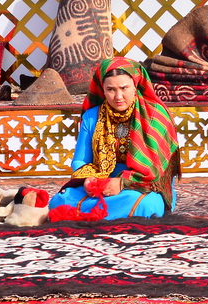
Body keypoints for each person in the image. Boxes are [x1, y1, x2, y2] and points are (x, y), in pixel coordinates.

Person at [48, 57, 179, 221]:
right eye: (111, 89)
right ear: (102, 89)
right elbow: (80, 161)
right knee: (59, 201)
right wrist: (89, 180)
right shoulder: (91, 116)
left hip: (143, 185)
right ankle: (107, 212)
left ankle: (99, 213)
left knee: (146, 205)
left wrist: (122, 183)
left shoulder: (155, 116)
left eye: (124, 88)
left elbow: (156, 171)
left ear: (135, 85)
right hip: (101, 181)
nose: (118, 96)